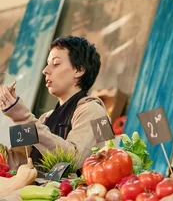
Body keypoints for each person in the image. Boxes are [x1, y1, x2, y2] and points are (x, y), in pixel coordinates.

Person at [0, 36, 108, 170]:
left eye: (56, 63)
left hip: (71, 191)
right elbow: (18, 162)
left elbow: (74, 160)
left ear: (79, 70)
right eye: (47, 63)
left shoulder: (95, 111)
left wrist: (21, 116)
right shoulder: (45, 119)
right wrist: (19, 118)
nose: (45, 70)